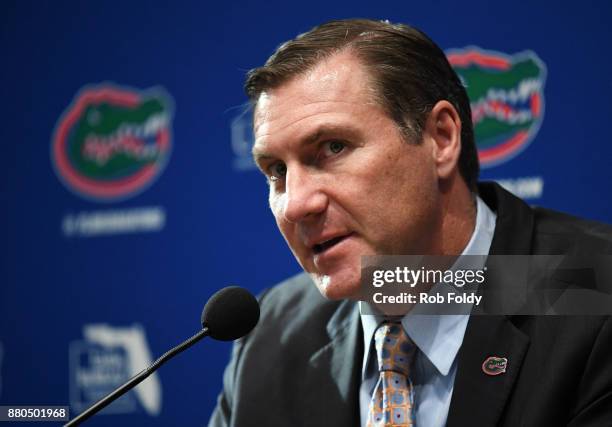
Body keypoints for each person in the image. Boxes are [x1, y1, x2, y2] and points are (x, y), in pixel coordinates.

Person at [209, 19, 612, 426]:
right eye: (276, 170)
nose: (295, 205)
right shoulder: (271, 335)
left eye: (333, 148)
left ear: (441, 138)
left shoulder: (595, 291)